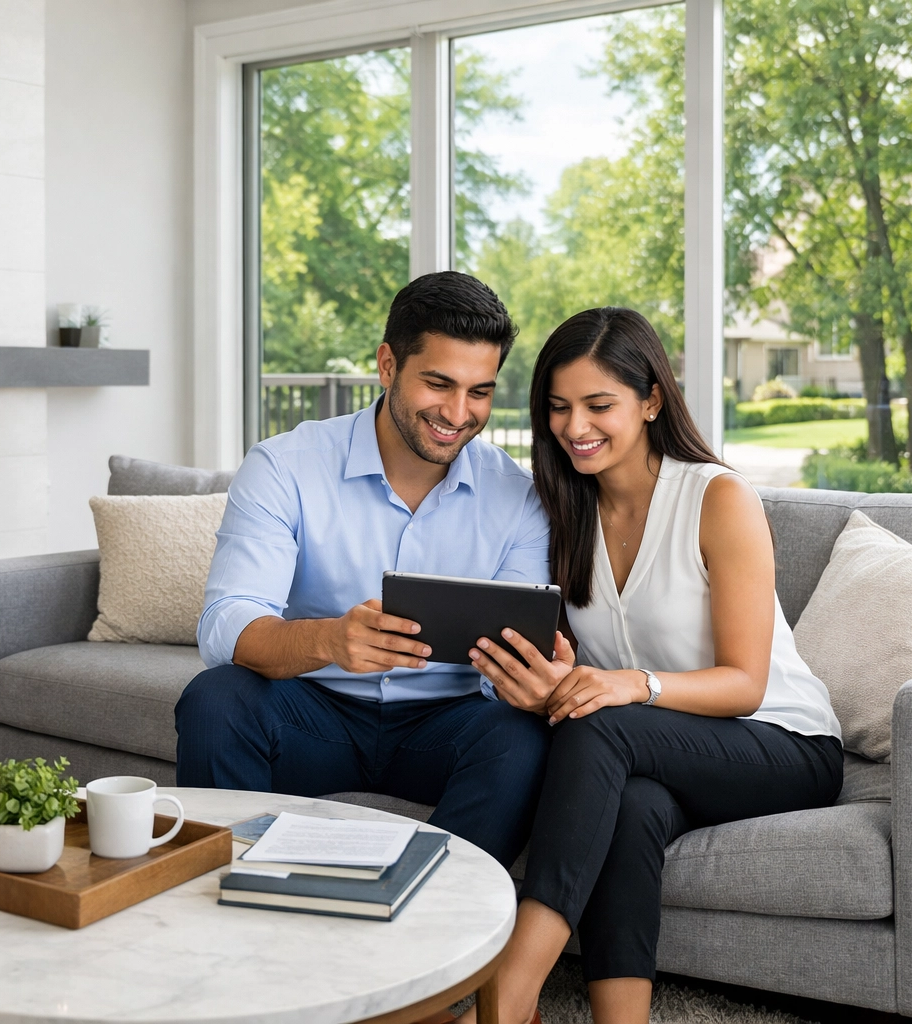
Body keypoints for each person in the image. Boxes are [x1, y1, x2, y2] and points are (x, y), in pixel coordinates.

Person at [462, 307, 843, 1024]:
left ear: (651, 401)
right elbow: (585, 671)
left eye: (598, 405)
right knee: (630, 805)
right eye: (558, 407)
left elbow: (745, 684)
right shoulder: (564, 511)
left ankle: (508, 996)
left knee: (600, 724)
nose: (575, 426)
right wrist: (555, 684)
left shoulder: (717, 498)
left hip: (784, 743)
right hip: (658, 750)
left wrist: (629, 686)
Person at [176, 271, 553, 869]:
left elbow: (506, 667)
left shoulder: (519, 497)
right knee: (216, 699)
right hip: (313, 709)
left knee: (523, 736)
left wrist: (527, 678)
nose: (458, 413)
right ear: (387, 365)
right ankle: (238, 889)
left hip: (444, 726)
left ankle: (435, 902)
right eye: (438, 384)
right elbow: (227, 623)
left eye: (479, 391)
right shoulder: (284, 466)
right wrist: (329, 639)